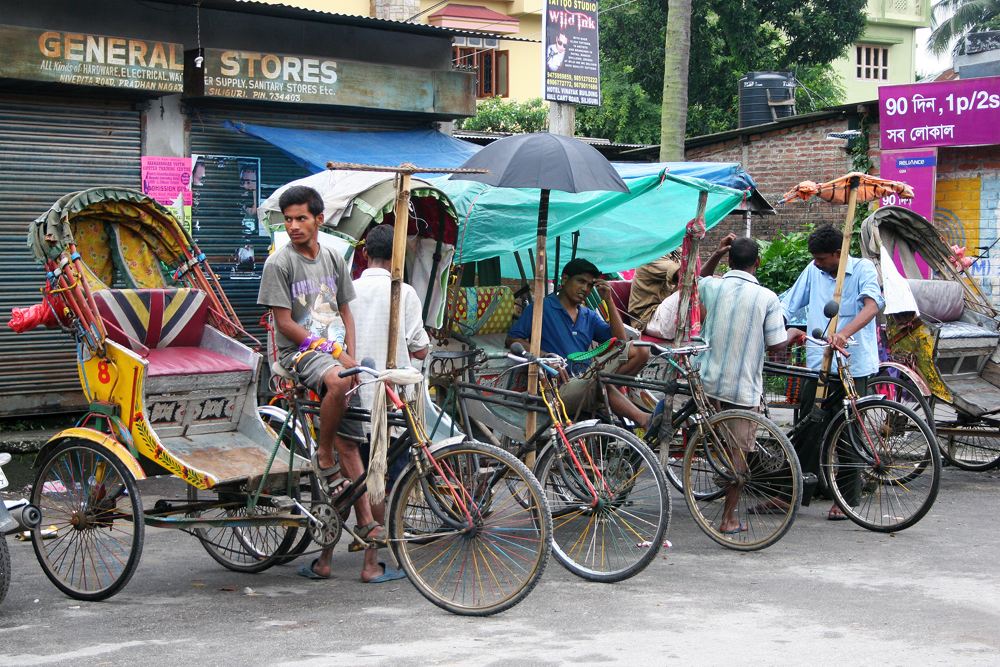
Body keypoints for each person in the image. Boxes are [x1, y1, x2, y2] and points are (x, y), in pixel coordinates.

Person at [257, 185, 399, 583]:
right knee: (343, 434)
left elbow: (345, 312)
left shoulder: (335, 257)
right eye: (288, 220)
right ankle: (322, 454)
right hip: (299, 353)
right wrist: (337, 357)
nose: (294, 226)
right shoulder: (280, 263)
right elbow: (284, 322)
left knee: (352, 443)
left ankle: (330, 558)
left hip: (333, 354)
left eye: (301, 218)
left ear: (319, 219)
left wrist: (349, 354)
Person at [298, 224, 426, 584]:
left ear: (365, 253)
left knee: (344, 476)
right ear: (397, 257)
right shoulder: (405, 293)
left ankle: (325, 560)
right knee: (376, 479)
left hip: (349, 395)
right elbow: (419, 348)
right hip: (387, 402)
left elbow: (327, 339)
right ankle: (371, 564)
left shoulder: (345, 291)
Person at [696, 236, 804, 533]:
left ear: (729, 261)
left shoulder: (714, 286)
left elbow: (698, 280)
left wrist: (715, 253)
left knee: (719, 443)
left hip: (707, 383)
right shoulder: (768, 298)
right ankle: (728, 519)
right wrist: (793, 333)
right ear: (758, 262)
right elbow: (776, 345)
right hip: (742, 389)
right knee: (738, 456)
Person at [780, 224, 884, 520]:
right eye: (815, 258)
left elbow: (872, 305)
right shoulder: (813, 272)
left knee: (849, 432)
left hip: (853, 366)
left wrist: (844, 333)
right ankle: (791, 493)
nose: (817, 263)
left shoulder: (862, 268)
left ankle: (847, 498)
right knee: (809, 428)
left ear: (839, 253)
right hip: (818, 364)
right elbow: (788, 304)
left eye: (823, 258)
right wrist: (773, 330)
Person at [505, 258, 650, 427]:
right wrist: (548, 358)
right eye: (580, 281)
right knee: (598, 382)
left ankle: (606, 396)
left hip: (587, 377)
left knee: (640, 350)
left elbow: (620, 343)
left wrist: (609, 301)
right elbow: (512, 339)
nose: (585, 289)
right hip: (559, 390)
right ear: (565, 279)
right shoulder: (541, 307)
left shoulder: (589, 315)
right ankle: (643, 419)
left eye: (589, 285)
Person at [628, 253, 682, 330]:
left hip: (664, 315)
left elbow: (699, 276)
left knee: (702, 285)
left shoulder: (675, 253)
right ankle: (703, 332)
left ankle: (702, 331)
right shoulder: (652, 256)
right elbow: (686, 275)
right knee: (691, 291)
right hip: (647, 319)